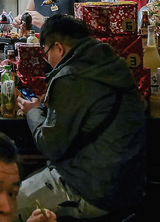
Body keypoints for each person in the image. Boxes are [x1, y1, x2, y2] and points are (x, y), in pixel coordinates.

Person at [16, 14, 147, 220]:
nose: (47, 60)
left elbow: (50, 144)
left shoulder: (70, 76)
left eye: (46, 53)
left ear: (59, 48)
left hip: (90, 189)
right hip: (126, 185)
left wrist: (33, 110)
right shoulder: (112, 64)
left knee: (4, 207)